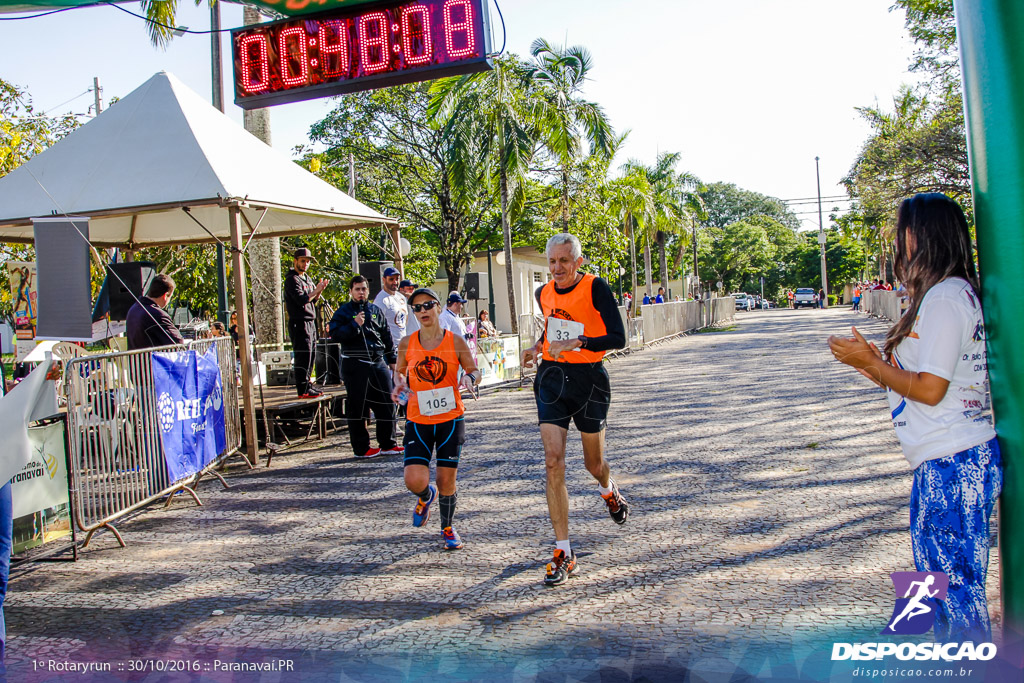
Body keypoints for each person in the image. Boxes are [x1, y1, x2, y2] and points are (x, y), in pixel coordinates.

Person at [828, 193, 1001, 642]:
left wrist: (872, 364)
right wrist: (867, 362)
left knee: (953, 589)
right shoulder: (946, 293)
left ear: (923, 234)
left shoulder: (945, 297)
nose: (898, 241)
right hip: (944, 455)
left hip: (953, 455)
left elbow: (930, 389)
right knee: (937, 579)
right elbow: (911, 381)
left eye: (903, 229)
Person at [521, 233, 629, 587]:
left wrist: (581, 341)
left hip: (589, 379)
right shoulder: (543, 292)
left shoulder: (597, 287)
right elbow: (553, 328)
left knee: (592, 464)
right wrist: (537, 347)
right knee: (553, 460)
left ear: (578, 262)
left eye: (564, 261)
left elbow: (618, 338)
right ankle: (564, 551)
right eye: (552, 262)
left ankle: (608, 489)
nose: (557, 268)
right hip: (552, 376)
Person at [391, 288, 480, 550]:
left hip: (450, 419)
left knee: (446, 481)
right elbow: (400, 373)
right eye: (416, 307)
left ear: (438, 307)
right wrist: (399, 384)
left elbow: (474, 370)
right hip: (418, 419)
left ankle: (448, 528)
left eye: (427, 305)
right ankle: (425, 495)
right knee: (414, 480)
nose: (423, 311)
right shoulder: (407, 343)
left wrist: (469, 378)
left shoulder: (454, 341)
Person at [328, 275, 403, 458]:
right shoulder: (343, 312)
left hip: (377, 361)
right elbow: (335, 335)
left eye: (363, 289)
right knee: (358, 408)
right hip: (355, 363)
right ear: (351, 291)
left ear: (368, 290)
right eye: (357, 289)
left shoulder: (375, 310)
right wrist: (354, 325)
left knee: (386, 403)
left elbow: (386, 337)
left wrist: (392, 361)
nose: (361, 292)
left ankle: (388, 443)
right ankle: (362, 448)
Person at [284, 247, 329, 399]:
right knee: (303, 355)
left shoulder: (306, 278)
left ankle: (308, 385)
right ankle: (302, 388)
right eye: (303, 261)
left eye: (308, 262)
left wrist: (319, 291)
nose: (305, 265)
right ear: (295, 261)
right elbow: (301, 300)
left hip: (310, 320)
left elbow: (312, 301)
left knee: (311, 354)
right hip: (299, 322)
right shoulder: (292, 279)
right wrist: (316, 290)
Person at [126, 274, 185, 350]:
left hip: (134, 361)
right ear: (165, 295)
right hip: (152, 361)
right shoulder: (158, 315)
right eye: (170, 297)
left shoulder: (133, 309)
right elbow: (178, 343)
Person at [373, 266, 408, 351]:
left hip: (403, 345)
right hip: (390, 348)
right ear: (384, 280)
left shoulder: (401, 297)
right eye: (391, 279)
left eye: (397, 279)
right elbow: (375, 324)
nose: (395, 282)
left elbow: (404, 320)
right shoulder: (381, 301)